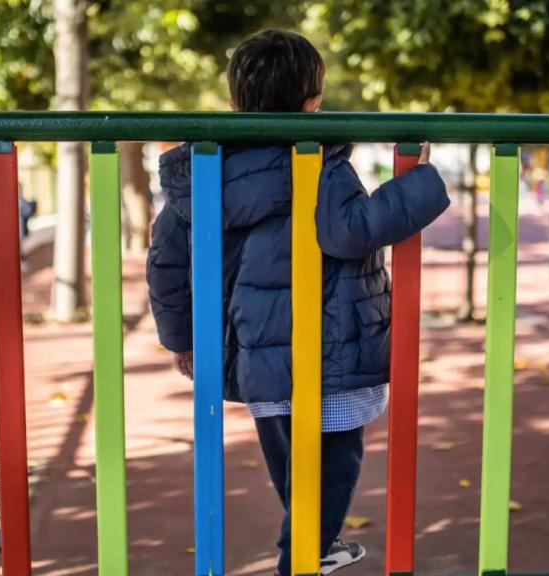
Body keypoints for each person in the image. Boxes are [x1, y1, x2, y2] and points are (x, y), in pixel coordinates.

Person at [146, 29, 450, 576]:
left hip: (256, 355)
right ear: (313, 104)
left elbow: (167, 260)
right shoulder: (318, 163)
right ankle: (304, 555)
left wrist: (181, 338)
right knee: (335, 459)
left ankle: (310, 543)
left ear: (237, 102)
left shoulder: (206, 174)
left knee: (287, 457)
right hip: (327, 349)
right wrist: (422, 184)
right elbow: (352, 231)